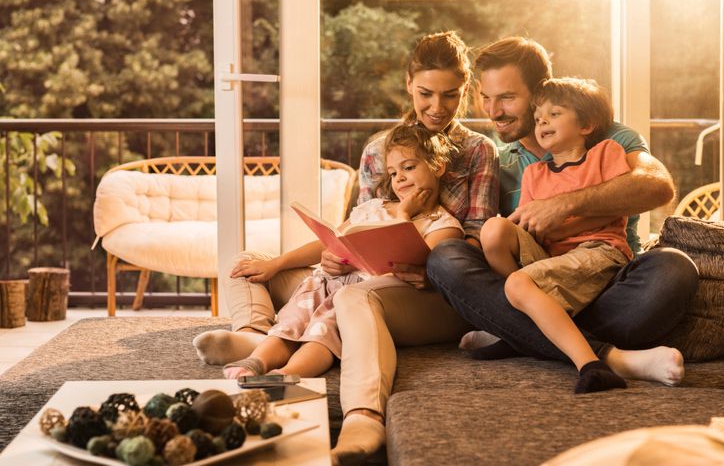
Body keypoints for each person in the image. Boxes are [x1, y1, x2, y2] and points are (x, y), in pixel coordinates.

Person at [193, 31, 499, 464]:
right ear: (408, 84)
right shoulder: (379, 150)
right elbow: (358, 227)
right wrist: (325, 254)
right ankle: (254, 337)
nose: (437, 107)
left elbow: (475, 237)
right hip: (358, 276)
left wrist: (432, 267)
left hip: (427, 292)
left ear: (464, 91)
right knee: (251, 264)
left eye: (450, 95)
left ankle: (363, 414)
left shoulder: (478, 151)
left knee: (354, 297)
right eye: (426, 93)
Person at [429, 37, 696, 388]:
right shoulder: (498, 160)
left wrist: (564, 204)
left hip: (609, 282)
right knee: (446, 259)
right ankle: (610, 357)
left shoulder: (607, 137)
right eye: (486, 98)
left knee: (673, 268)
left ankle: (515, 333)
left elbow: (657, 186)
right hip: (540, 283)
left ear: (539, 91)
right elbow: (489, 242)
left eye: (507, 98)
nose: (494, 112)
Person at [221, 123, 464, 380]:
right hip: (329, 283)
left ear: (438, 166)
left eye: (409, 167)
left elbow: (415, 263)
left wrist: (404, 214)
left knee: (322, 330)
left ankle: (286, 375)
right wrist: (279, 264)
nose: (399, 178)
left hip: (362, 299)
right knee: (291, 323)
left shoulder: (444, 225)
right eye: (393, 173)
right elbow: (332, 241)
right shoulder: (374, 207)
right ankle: (255, 362)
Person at [483, 76, 667, 394]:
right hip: (552, 255)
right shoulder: (533, 174)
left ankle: (591, 365)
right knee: (493, 230)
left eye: (554, 114)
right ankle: (534, 311)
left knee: (517, 283)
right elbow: (528, 229)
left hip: (599, 248)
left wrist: (565, 224)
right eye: (538, 118)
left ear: (586, 125)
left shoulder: (606, 153)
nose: (543, 122)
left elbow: (617, 210)